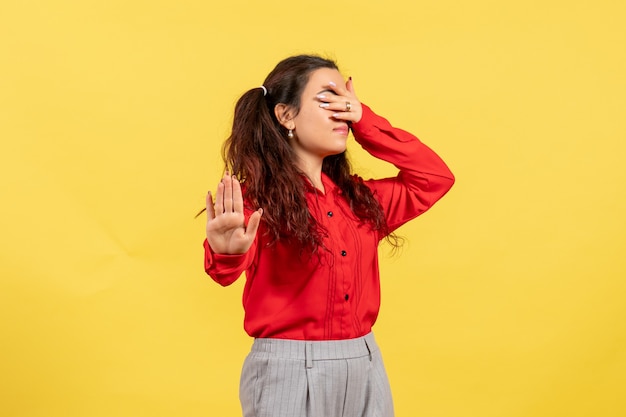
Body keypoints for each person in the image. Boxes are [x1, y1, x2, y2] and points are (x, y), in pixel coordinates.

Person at [202, 54, 454, 417]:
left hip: (365, 362)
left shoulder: (362, 201)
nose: (344, 112)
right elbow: (223, 273)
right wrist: (227, 253)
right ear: (286, 115)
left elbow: (434, 177)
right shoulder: (257, 203)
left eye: (346, 101)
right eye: (328, 100)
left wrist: (365, 120)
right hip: (287, 369)